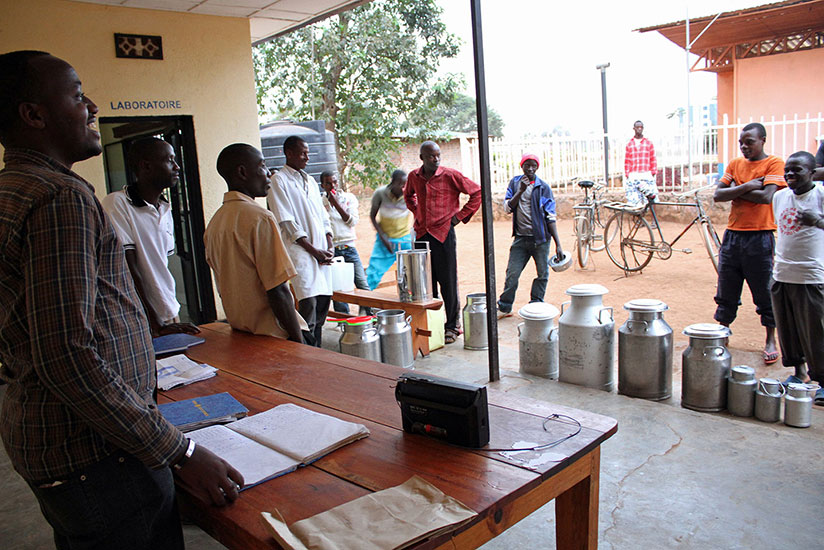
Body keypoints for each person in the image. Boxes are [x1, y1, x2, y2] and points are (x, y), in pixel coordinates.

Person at [0, 50, 242, 550]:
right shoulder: (58, 196)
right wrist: (179, 451)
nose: (91, 106)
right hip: (97, 456)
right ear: (33, 114)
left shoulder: (12, 189)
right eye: (75, 93)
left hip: (51, 441)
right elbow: (66, 354)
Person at [204, 143, 305, 343]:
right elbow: (278, 289)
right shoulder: (260, 218)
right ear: (242, 172)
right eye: (262, 166)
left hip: (241, 333)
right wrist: (299, 341)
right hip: (274, 334)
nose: (268, 173)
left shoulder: (215, 224)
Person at [101, 137, 200, 337]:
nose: (177, 167)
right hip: (140, 316)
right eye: (170, 160)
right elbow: (128, 268)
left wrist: (168, 315)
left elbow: (159, 263)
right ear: (146, 166)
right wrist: (155, 323)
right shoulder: (117, 203)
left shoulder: (164, 207)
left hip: (167, 310)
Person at [712, 122, 785, 364]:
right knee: (727, 287)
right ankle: (723, 331)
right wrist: (748, 186)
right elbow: (718, 195)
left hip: (760, 236)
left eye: (750, 142)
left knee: (765, 290)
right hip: (733, 236)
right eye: (742, 142)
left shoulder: (774, 163)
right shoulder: (735, 164)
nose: (744, 146)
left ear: (763, 140)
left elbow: (767, 197)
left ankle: (770, 339)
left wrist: (735, 190)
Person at [404, 141, 481, 344]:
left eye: (438, 155)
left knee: (448, 281)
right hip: (421, 234)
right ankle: (433, 324)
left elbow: (477, 192)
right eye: (431, 156)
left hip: (443, 233)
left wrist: (459, 217)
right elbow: (408, 195)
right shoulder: (414, 176)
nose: (436, 159)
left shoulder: (450, 175)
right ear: (422, 158)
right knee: (426, 283)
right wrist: (418, 212)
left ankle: (452, 326)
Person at [267, 136, 333, 347]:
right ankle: (306, 350)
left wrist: (329, 244)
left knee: (323, 300)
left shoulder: (311, 181)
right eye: (302, 153)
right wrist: (313, 250)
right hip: (301, 250)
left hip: (321, 251)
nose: (307, 157)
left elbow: (323, 216)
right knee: (308, 302)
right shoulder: (279, 180)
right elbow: (286, 221)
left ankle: (319, 349)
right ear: (288, 153)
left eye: (307, 152)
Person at [770, 151, 824, 405]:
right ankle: (798, 374)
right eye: (787, 170)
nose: (790, 174)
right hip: (782, 274)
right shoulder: (780, 197)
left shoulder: (821, 195)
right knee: (788, 330)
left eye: (797, 170)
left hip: (811, 276)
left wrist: (819, 221)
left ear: (812, 172)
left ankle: (823, 382)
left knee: (816, 332)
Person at [497, 154, 564, 318]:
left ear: (538, 167)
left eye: (534, 166)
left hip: (540, 240)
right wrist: (520, 191)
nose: (530, 169)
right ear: (522, 166)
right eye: (527, 165)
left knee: (542, 274)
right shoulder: (515, 183)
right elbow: (507, 208)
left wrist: (558, 244)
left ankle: (536, 305)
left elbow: (550, 216)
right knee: (512, 273)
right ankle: (505, 307)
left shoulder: (543, 188)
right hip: (521, 239)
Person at [320, 170, 369, 313]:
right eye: (328, 183)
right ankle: (343, 321)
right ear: (323, 185)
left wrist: (335, 203)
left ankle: (369, 314)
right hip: (332, 248)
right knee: (338, 287)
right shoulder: (319, 202)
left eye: (334, 182)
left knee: (362, 283)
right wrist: (329, 203)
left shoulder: (348, 198)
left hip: (349, 246)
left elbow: (352, 221)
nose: (332, 186)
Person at [365, 169, 413, 290]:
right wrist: (383, 237)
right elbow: (372, 216)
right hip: (385, 240)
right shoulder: (380, 193)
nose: (404, 188)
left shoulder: (410, 194)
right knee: (372, 275)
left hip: (405, 240)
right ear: (393, 183)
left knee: (412, 274)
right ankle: (365, 306)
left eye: (406, 185)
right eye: (401, 185)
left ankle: (410, 304)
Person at [624, 120, 659, 207]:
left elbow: (652, 158)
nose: (639, 129)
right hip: (634, 175)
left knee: (650, 200)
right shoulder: (629, 144)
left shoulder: (648, 143)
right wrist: (627, 173)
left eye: (641, 127)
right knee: (634, 201)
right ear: (634, 129)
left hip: (646, 174)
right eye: (637, 127)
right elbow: (627, 160)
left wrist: (653, 171)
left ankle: (651, 218)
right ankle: (638, 219)